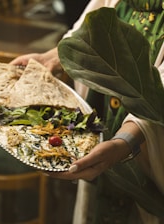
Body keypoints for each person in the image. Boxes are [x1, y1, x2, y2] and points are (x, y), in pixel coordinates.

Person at [11, 0, 164, 223]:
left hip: (149, 158)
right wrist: (55, 57)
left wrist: (122, 143)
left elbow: (158, 95)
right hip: (105, 124)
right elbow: (88, 31)